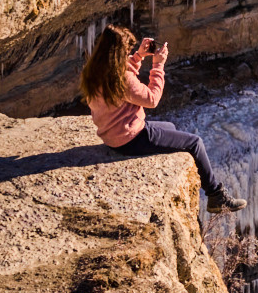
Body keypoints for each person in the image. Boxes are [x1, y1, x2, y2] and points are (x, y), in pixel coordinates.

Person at [81, 24, 244, 211]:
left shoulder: (94, 71)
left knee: (169, 127)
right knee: (194, 143)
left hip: (113, 134)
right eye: (127, 51)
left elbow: (121, 79)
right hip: (130, 138)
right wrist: (158, 65)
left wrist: (139, 56)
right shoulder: (121, 79)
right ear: (118, 53)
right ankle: (216, 196)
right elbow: (151, 99)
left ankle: (212, 191)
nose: (129, 53)